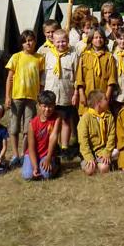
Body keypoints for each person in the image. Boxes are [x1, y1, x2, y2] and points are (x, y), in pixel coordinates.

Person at [5, 29, 44, 167]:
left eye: (31, 40)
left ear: (34, 42)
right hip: (17, 97)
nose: (28, 43)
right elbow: (9, 78)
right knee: (14, 128)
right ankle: (15, 154)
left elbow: (41, 79)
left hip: (32, 98)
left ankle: (23, 153)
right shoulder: (16, 57)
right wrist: (7, 97)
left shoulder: (39, 58)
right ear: (22, 44)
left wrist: (41, 97)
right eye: (25, 41)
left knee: (28, 129)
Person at [42, 28, 79, 158]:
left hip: (66, 94)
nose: (60, 44)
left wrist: (75, 94)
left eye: (63, 41)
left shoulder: (73, 55)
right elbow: (44, 75)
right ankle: (52, 146)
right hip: (50, 94)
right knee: (51, 122)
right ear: (53, 41)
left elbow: (77, 76)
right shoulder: (48, 55)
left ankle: (64, 147)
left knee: (65, 121)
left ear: (68, 41)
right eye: (58, 42)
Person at [76, 26, 117, 114]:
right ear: (91, 39)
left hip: (102, 96)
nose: (98, 40)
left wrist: (107, 97)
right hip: (87, 95)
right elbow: (79, 79)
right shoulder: (84, 56)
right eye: (95, 37)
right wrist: (81, 95)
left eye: (101, 37)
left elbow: (111, 79)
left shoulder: (109, 57)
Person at [21, 90, 61, 180]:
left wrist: (48, 157)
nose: (47, 109)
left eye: (50, 106)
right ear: (39, 106)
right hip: (33, 153)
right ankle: (34, 165)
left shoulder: (57, 118)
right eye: (44, 106)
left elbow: (53, 138)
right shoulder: (32, 123)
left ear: (54, 105)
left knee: (46, 175)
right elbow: (31, 147)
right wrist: (35, 167)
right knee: (27, 175)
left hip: (47, 154)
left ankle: (56, 164)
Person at [77, 89, 118, 175]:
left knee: (104, 168)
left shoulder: (109, 116)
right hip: (89, 151)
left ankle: (106, 162)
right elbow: (83, 141)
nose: (108, 101)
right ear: (98, 103)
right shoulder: (85, 118)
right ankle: (87, 162)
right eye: (105, 99)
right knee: (90, 170)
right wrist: (88, 157)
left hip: (103, 150)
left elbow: (111, 136)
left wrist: (107, 153)